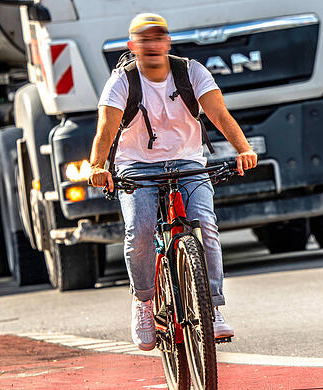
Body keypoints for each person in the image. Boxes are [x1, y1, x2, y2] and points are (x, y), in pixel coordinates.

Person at [89, 13, 258, 351]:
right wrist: (97, 166)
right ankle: (144, 304)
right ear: (132, 46)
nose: (152, 45)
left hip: (187, 159)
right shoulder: (122, 82)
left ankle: (212, 308)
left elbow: (219, 115)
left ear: (168, 42)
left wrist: (244, 149)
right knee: (140, 229)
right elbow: (106, 130)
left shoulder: (191, 72)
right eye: (144, 39)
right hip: (137, 165)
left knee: (206, 224)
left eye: (158, 38)